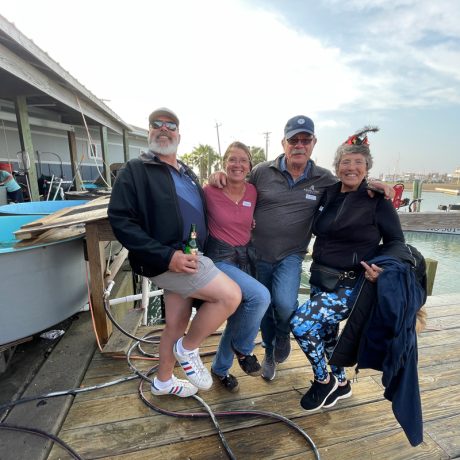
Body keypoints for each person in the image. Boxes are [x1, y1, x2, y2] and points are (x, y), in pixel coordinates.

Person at [209, 116, 393, 382]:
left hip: (291, 256)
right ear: (284, 143)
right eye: (293, 139)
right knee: (259, 307)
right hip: (255, 254)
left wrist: (376, 185)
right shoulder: (262, 171)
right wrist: (218, 176)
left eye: (305, 140)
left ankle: (282, 335)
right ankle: (270, 352)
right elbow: (237, 182)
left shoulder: (324, 179)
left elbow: (350, 182)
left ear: (313, 143)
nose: (299, 145)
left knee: (284, 305)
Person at [108, 107, 241, 398]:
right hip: (168, 260)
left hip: (190, 256)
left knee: (177, 323)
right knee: (230, 296)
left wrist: (219, 178)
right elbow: (120, 220)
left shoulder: (187, 173)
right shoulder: (136, 170)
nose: (164, 129)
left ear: (179, 135)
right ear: (149, 132)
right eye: (157, 125)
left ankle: (163, 381)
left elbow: (202, 203)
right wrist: (168, 256)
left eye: (171, 126)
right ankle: (188, 349)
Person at [289, 127, 408, 412]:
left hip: (352, 283)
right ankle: (341, 383)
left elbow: (396, 243)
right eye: (345, 161)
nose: (351, 167)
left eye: (358, 162)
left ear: (367, 167)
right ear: (337, 166)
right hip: (321, 276)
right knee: (327, 334)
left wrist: (382, 268)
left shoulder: (376, 201)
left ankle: (323, 380)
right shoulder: (328, 193)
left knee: (302, 323)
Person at [203, 142, 270, 392]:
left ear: (250, 166)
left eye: (243, 160)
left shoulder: (253, 192)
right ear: (224, 163)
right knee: (260, 296)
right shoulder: (209, 189)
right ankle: (243, 349)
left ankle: (220, 369)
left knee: (239, 317)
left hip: (245, 259)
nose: (237, 165)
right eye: (232, 159)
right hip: (219, 260)